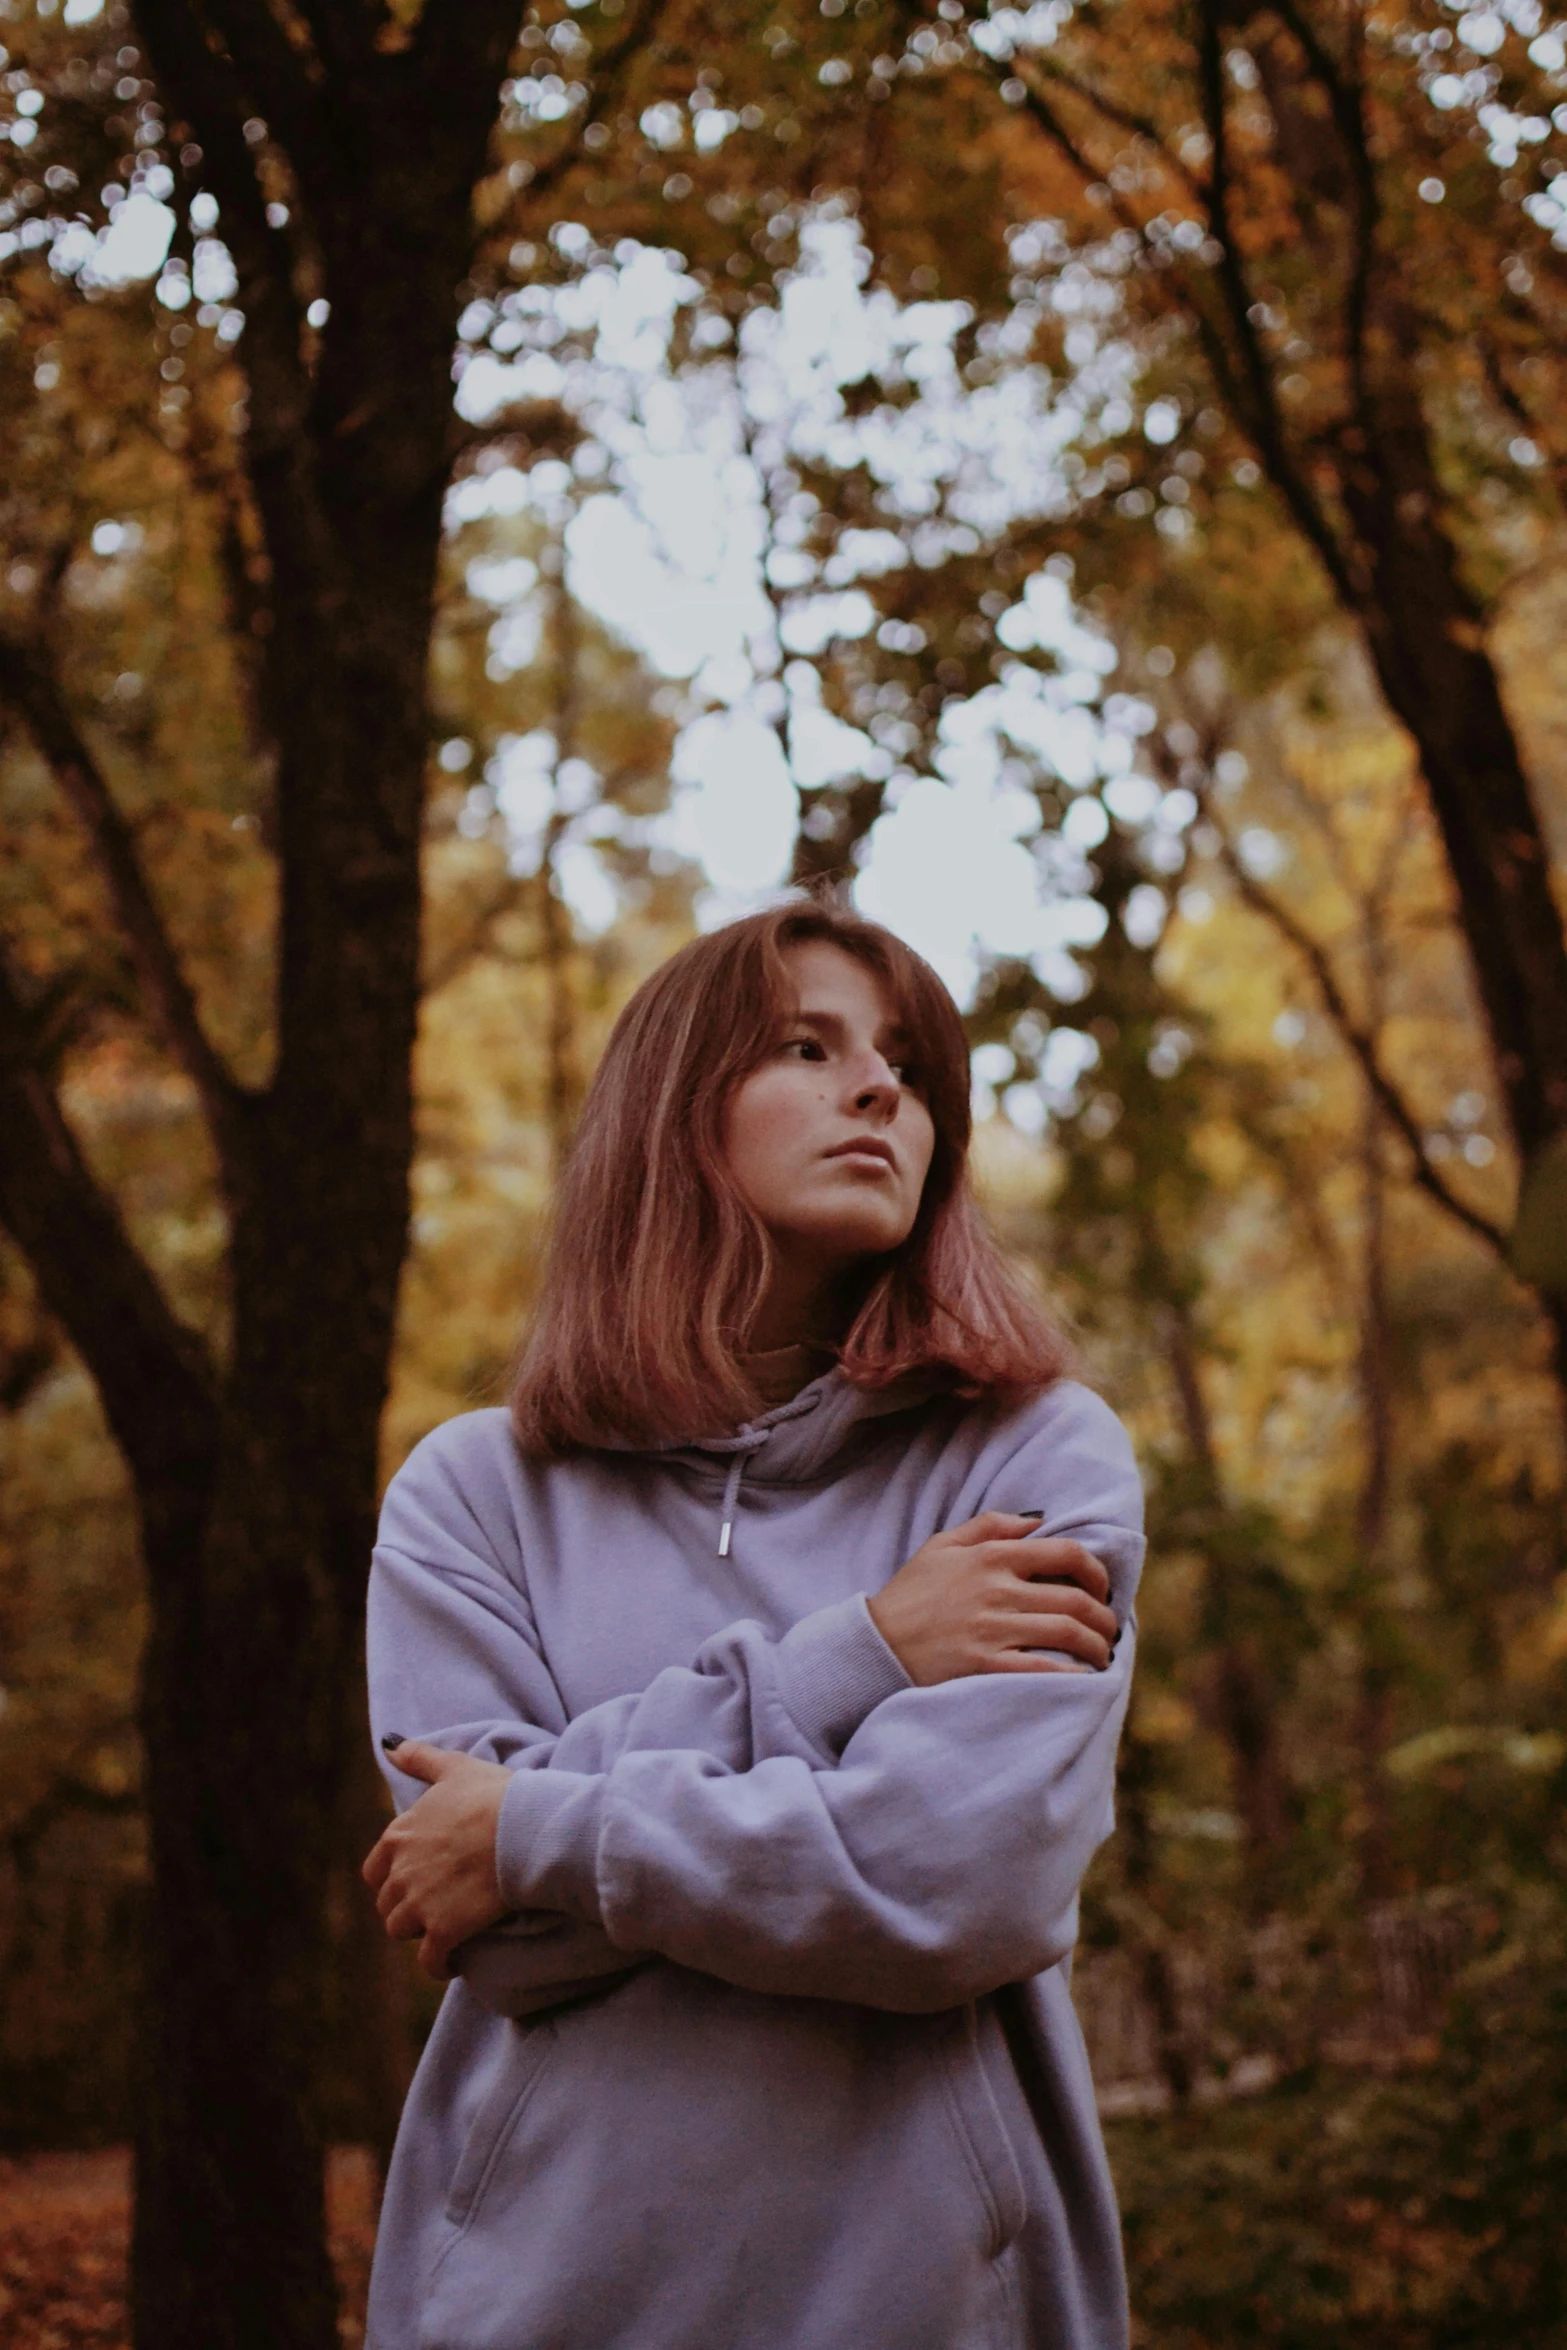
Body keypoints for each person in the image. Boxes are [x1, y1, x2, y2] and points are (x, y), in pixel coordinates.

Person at [361, 898, 1144, 2350]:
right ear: (673, 1113)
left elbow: (955, 1886)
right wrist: (863, 1654)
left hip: (937, 2308)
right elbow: (497, 1941)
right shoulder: (472, 1494)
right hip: (540, 2305)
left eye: (906, 1064)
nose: (879, 1089)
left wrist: (540, 1829)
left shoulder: (1028, 1460)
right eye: (807, 1044)